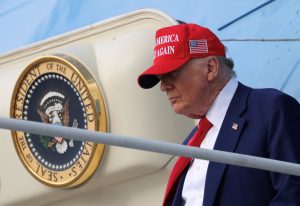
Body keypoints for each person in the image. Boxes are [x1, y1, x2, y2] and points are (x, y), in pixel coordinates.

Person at [137, 23, 300, 206]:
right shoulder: (191, 142)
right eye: (161, 79)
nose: (163, 86)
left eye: (173, 73)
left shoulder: (271, 108)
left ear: (210, 69)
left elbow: (293, 194)